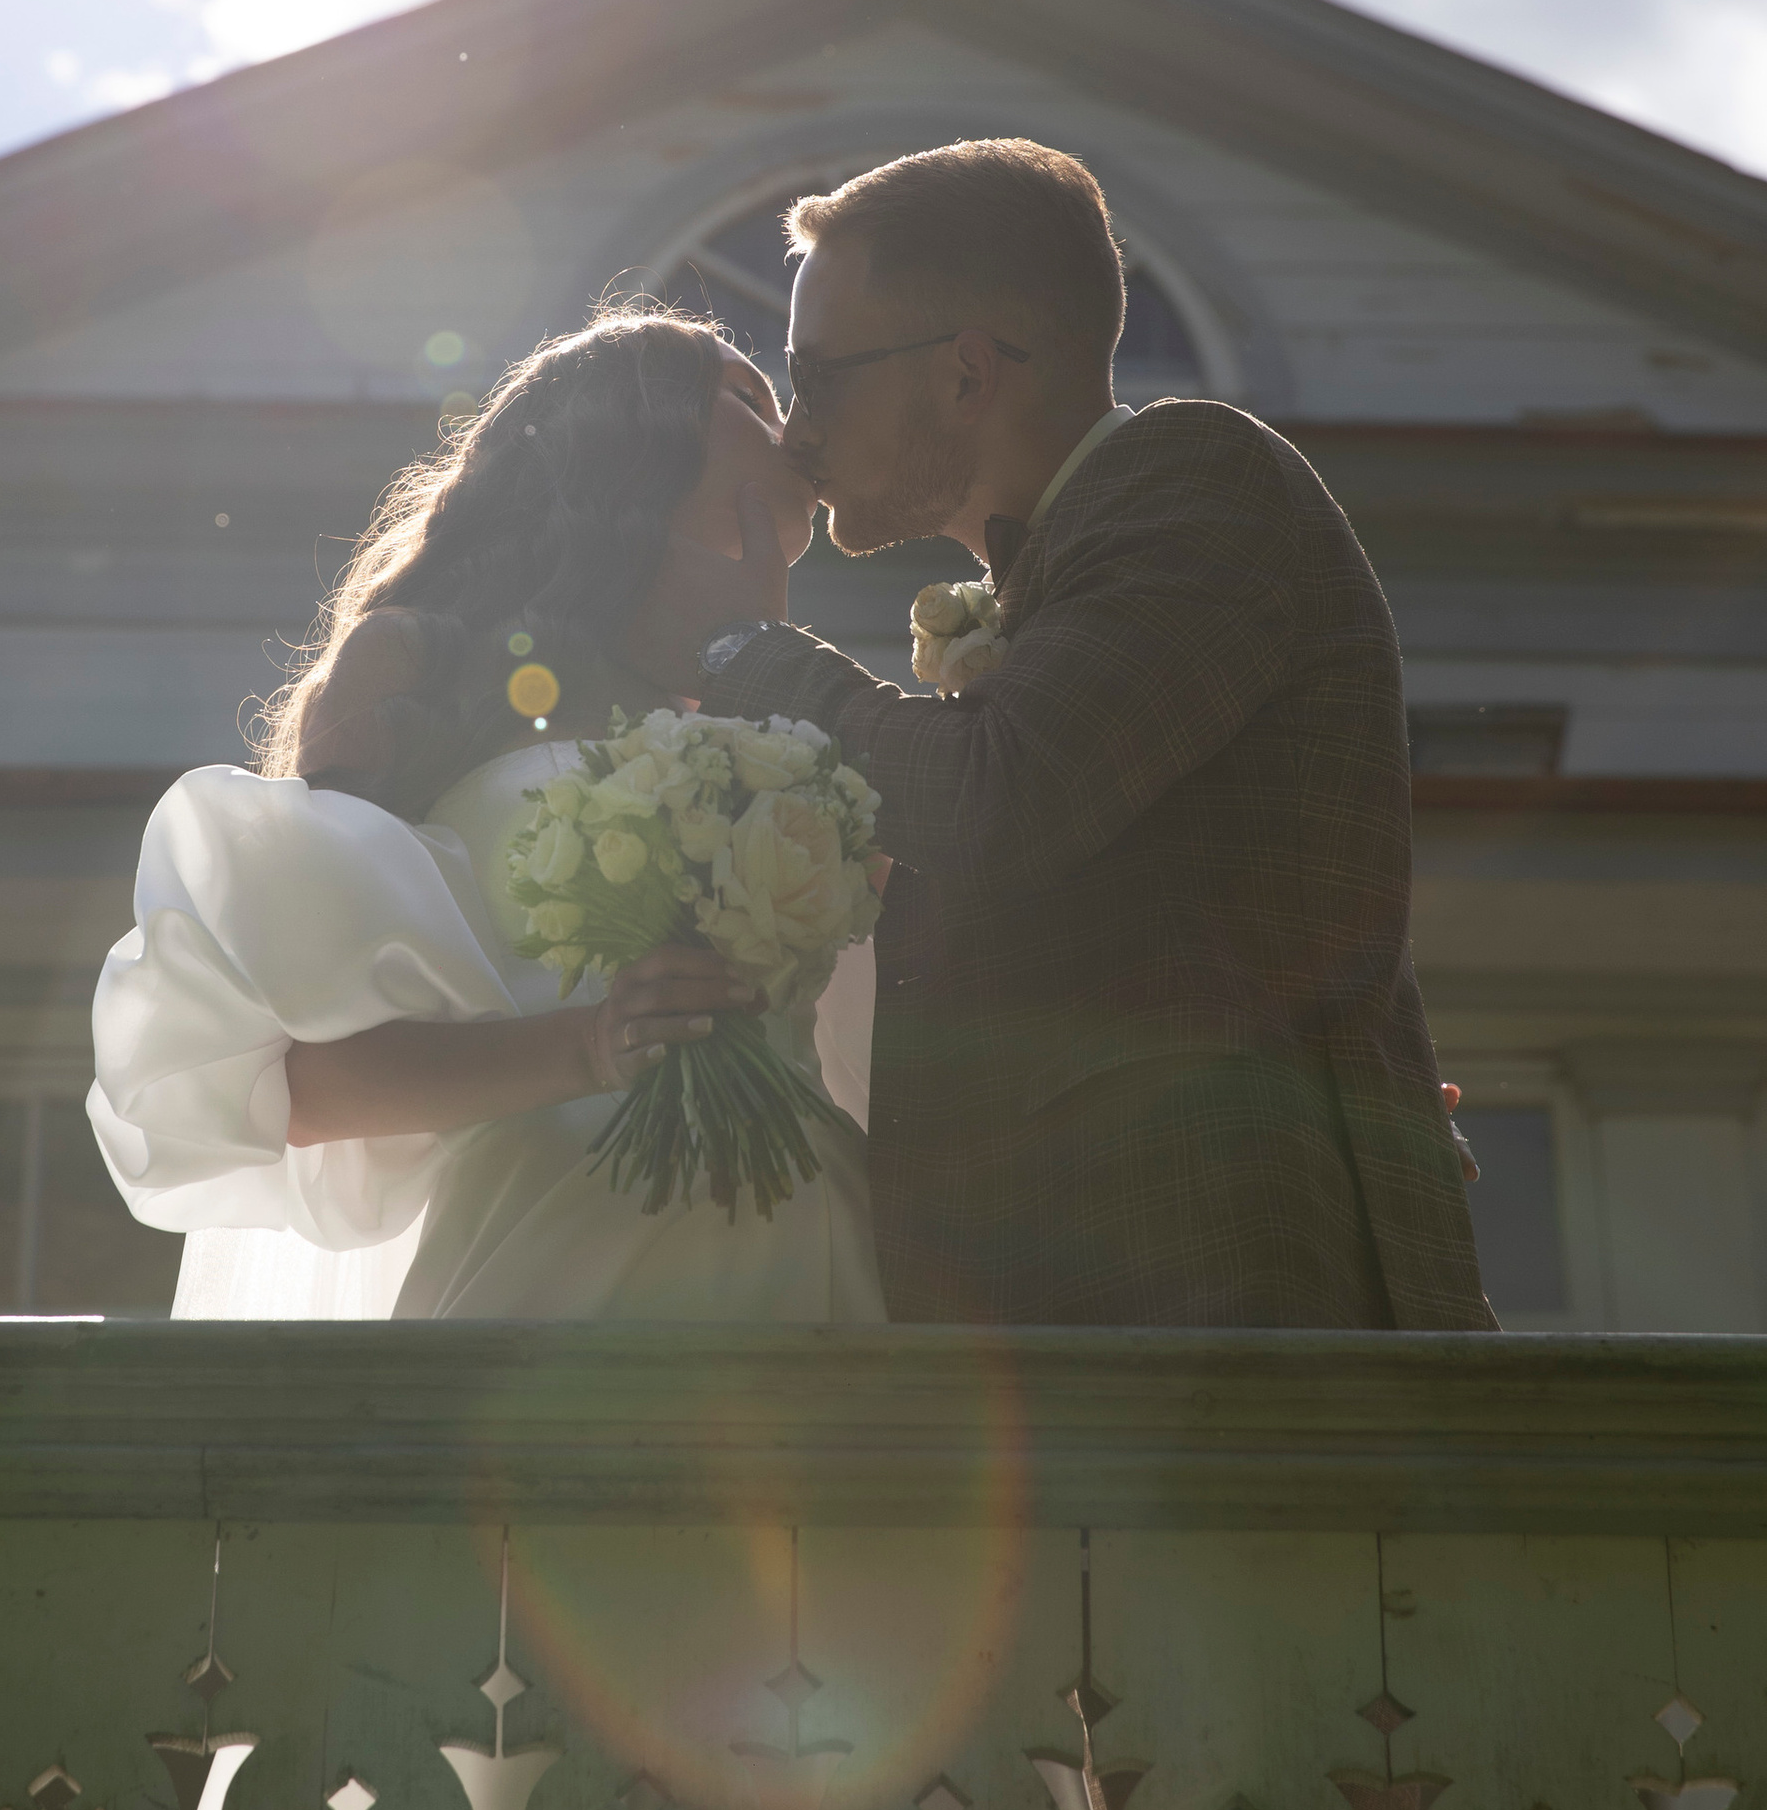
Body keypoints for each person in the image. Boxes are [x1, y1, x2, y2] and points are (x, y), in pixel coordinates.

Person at [635, 137, 1494, 1329]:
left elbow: (1002, 797)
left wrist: (750, 658)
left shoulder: (1197, 478)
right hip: (1087, 1325)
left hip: (1217, 1302)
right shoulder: (1068, 571)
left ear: (965, 375)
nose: (795, 433)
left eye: (818, 376)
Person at [86, 309, 886, 1321]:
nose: (795, 427)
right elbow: (292, 1087)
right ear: (634, 428)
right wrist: (591, 1046)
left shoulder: (789, 717)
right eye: (749, 395)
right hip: (565, 1265)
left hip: (808, 1260)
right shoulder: (427, 665)